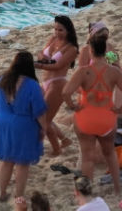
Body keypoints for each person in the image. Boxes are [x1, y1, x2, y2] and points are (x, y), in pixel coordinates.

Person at [62, 34, 122, 195]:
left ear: (91, 49)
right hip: (107, 117)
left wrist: (74, 106)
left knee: (87, 157)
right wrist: (120, 109)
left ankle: (86, 193)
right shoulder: (112, 58)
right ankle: (117, 188)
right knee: (110, 154)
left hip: (86, 116)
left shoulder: (84, 70)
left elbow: (66, 92)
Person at [0, 51, 49, 202]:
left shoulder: (2, 80)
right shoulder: (32, 85)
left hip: (2, 121)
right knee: (22, 164)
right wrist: (44, 128)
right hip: (24, 125)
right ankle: (18, 196)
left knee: (6, 161)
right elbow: (39, 111)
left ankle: (2, 193)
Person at [36, 16, 78, 155]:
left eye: (60, 30)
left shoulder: (72, 48)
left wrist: (41, 63)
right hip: (46, 81)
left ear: (68, 30)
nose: (57, 32)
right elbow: (41, 53)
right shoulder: (53, 39)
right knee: (42, 116)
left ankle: (55, 149)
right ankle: (64, 140)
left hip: (57, 83)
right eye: (55, 29)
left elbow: (56, 65)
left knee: (44, 120)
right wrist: (45, 61)